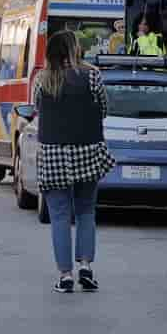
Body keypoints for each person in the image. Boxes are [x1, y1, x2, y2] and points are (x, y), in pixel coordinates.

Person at [35, 30, 115, 293]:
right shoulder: (91, 75)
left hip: (53, 154)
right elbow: (103, 109)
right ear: (73, 50)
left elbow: (38, 110)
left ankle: (65, 275)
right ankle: (86, 268)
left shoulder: (42, 79)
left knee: (59, 215)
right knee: (85, 211)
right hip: (87, 151)